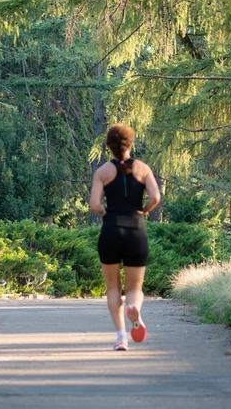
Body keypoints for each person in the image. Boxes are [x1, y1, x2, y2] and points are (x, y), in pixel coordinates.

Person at [89, 124, 161, 351]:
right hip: (136, 230)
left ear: (108, 146)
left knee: (112, 288)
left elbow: (94, 204)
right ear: (130, 144)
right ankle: (134, 307)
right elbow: (155, 197)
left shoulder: (102, 172)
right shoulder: (143, 168)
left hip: (111, 230)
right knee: (134, 287)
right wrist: (144, 211)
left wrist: (105, 213)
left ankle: (121, 337)